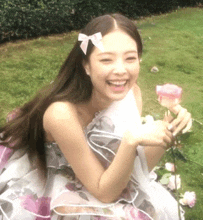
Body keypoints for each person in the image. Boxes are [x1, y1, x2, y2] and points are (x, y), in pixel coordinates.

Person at [0, 13, 192, 220]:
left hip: (102, 176)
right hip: (58, 179)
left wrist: (168, 130)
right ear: (86, 65)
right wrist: (130, 140)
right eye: (106, 59)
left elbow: (138, 170)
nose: (120, 70)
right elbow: (104, 192)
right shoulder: (61, 114)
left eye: (130, 58)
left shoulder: (132, 93)